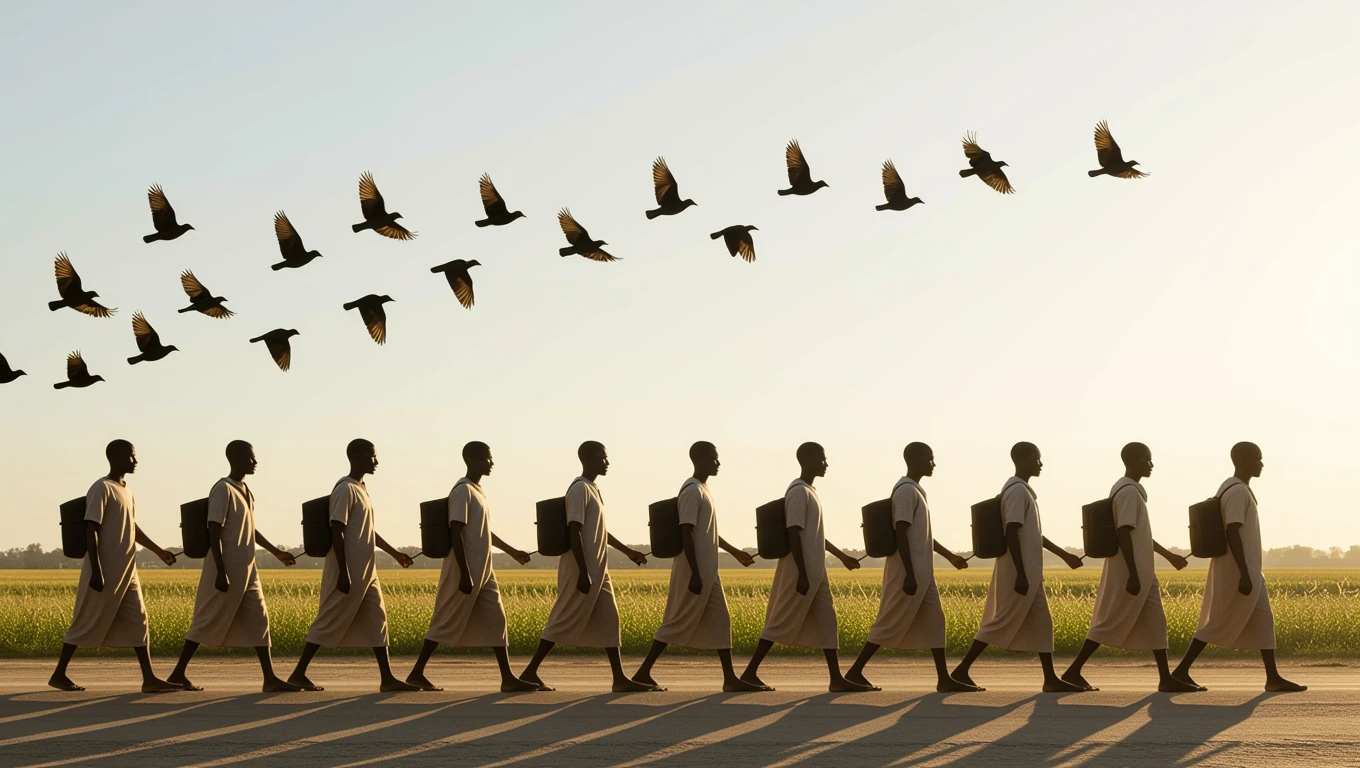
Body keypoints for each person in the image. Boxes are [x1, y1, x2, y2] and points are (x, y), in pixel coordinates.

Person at [740, 442, 877, 692]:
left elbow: (815, 535)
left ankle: (836, 679)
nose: (826, 464)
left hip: (815, 570)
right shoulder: (799, 492)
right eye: (822, 459)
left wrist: (842, 557)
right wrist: (802, 573)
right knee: (779, 621)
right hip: (800, 569)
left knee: (827, 621)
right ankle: (749, 673)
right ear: (807, 460)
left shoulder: (810, 492)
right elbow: (794, 532)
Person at [519, 441, 655, 692]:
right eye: (604, 458)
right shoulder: (579, 489)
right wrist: (582, 571)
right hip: (582, 568)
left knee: (609, 620)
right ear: (590, 458)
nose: (607, 462)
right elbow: (574, 529)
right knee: (562, 618)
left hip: (598, 569)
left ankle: (619, 679)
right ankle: (529, 672)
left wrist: (628, 552)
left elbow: (600, 531)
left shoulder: (593, 489)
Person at [1061, 443, 1198, 692]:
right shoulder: (1128, 493)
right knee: (1109, 620)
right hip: (1129, 570)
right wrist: (1133, 574)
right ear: (1133, 461)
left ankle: (1165, 678)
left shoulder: (1129, 491)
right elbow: (1123, 532)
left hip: (1142, 569)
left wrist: (1169, 556)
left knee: (1156, 622)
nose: (1151, 465)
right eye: (1147, 460)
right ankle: (1073, 671)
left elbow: (1140, 535)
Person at [1171, 442, 1307, 692]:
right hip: (1237, 570)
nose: (1262, 464)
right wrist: (1244, 573)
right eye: (1257, 459)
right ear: (1242, 461)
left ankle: (1273, 678)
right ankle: (1180, 671)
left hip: (1249, 569)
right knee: (1217, 621)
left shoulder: (1234, 488)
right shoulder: (1238, 492)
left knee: (1264, 620)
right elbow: (1232, 529)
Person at [845, 442, 981, 692]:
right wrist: (908, 573)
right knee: (888, 621)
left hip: (921, 572)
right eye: (930, 459)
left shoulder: (916, 491)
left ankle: (944, 679)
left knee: (935, 621)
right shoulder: (906, 491)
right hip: (908, 572)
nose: (933, 464)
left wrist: (950, 556)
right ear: (916, 460)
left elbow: (923, 535)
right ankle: (854, 672)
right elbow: (901, 531)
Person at [630, 442, 765, 692]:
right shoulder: (692, 491)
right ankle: (642, 673)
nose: (718, 463)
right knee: (675, 620)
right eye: (714, 458)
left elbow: (708, 532)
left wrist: (735, 552)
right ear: (700, 459)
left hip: (707, 570)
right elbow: (686, 531)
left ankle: (730, 679)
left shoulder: (703, 490)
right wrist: (694, 572)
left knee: (721, 620)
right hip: (695, 570)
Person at [951, 442, 1086, 692]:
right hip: (1019, 570)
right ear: (1023, 460)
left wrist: (1065, 555)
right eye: (1037, 459)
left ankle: (1050, 679)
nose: (1040, 464)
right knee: (1000, 621)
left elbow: (1034, 535)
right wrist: (1021, 573)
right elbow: (1011, 531)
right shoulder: (1018, 492)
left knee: (1043, 624)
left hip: (1029, 570)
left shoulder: (1023, 492)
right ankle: (961, 670)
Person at [167, 441, 301, 692]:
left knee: (260, 620)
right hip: (225, 570)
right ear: (236, 459)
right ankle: (177, 673)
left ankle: (270, 678)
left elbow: (251, 528)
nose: (255, 462)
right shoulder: (222, 489)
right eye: (251, 458)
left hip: (248, 570)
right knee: (205, 621)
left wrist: (276, 552)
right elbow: (213, 529)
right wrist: (220, 570)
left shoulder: (246, 491)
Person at [288, 439, 420, 692]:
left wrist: (395, 554)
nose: (376, 461)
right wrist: (344, 571)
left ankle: (387, 679)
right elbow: (336, 529)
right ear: (357, 457)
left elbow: (368, 531)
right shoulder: (345, 489)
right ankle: (298, 674)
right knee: (328, 620)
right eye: (372, 457)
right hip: (347, 570)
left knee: (377, 620)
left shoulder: (362, 489)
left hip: (367, 571)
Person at [406, 441, 538, 692]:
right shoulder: (462, 491)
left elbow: (483, 531)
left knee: (497, 620)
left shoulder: (477, 491)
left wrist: (512, 552)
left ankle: (508, 678)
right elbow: (455, 531)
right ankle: (416, 673)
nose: (492, 463)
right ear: (474, 460)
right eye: (488, 458)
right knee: (444, 621)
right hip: (463, 570)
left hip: (484, 571)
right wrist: (464, 574)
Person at [49, 440, 179, 692]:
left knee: (139, 620)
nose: (135, 461)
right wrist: (96, 570)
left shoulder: (127, 490)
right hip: (104, 570)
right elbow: (91, 528)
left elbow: (132, 527)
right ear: (117, 457)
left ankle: (149, 678)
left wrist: (158, 551)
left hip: (128, 571)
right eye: (131, 456)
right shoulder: (101, 488)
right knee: (84, 621)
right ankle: (58, 674)